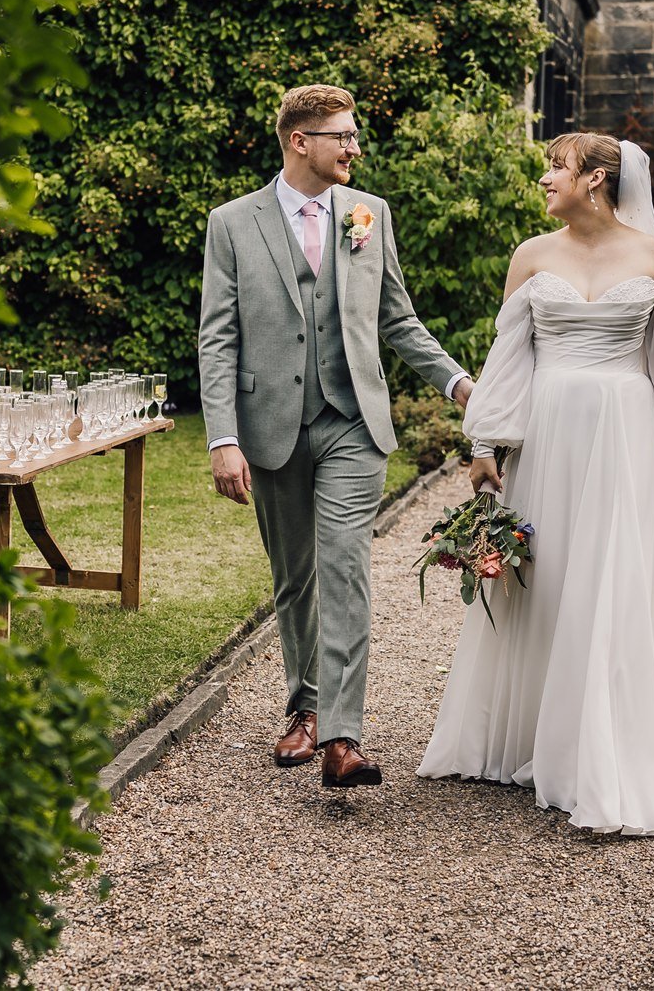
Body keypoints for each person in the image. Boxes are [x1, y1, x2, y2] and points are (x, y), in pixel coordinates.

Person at [417, 132, 654, 835]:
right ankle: (530, 734)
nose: (543, 177)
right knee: (549, 575)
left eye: (555, 166)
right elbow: (509, 358)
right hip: (549, 434)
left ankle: (605, 741)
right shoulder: (532, 256)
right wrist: (485, 443)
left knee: (611, 577)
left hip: (624, 433)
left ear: (594, 180)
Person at [197, 84, 472, 788]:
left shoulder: (367, 214)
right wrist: (222, 436)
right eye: (341, 136)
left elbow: (399, 319)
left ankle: (343, 736)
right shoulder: (233, 223)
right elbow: (217, 338)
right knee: (295, 577)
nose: (354, 147)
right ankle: (305, 708)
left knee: (344, 566)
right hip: (270, 428)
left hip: (354, 421)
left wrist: (459, 384)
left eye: (353, 135)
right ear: (300, 141)